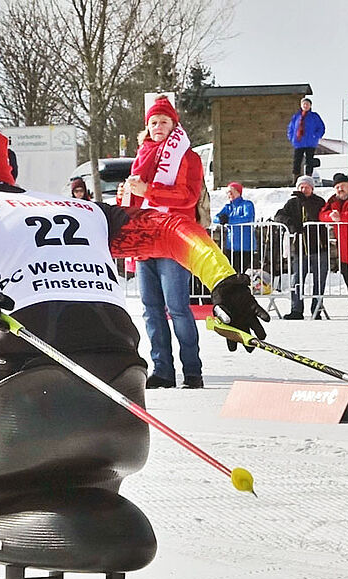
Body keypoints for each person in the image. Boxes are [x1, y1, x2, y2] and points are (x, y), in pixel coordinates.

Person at [0, 122, 268, 579]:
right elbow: (172, 227)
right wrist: (225, 283)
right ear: (7, 168)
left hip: (31, 394)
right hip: (124, 392)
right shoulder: (84, 208)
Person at [120, 96, 205, 389]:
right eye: (153, 122)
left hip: (172, 237)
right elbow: (135, 201)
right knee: (150, 308)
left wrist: (150, 191)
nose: (158, 127)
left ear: (174, 124)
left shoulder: (188, 157)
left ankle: (192, 370)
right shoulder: (141, 156)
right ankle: (163, 370)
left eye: (164, 122)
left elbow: (188, 197)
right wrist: (126, 195)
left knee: (178, 307)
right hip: (145, 239)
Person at [274, 175, 328, 319]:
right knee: (297, 280)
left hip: (318, 247)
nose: (303, 189)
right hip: (300, 248)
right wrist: (290, 223)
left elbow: (314, 216)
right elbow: (278, 216)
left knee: (319, 281)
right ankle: (296, 310)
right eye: (301, 187)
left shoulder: (318, 201)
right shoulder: (292, 202)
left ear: (312, 188)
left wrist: (304, 202)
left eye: (306, 187)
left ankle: (316, 310)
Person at [318, 173, 348, 318]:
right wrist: (331, 217)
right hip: (344, 251)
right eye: (337, 187)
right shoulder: (333, 199)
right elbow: (322, 215)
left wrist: (341, 218)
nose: (340, 189)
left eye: (342, 186)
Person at [213, 182, 256, 274]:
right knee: (231, 272)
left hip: (245, 246)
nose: (229, 194)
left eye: (231, 192)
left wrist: (228, 220)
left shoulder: (247, 204)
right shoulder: (228, 207)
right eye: (228, 192)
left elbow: (247, 218)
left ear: (238, 192)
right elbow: (215, 218)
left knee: (242, 272)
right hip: (231, 245)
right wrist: (221, 219)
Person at [287, 97, 325, 184]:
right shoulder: (296, 116)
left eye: (307, 104)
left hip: (310, 142)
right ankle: (295, 180)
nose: (305, 105)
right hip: (298, 143)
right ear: (301, 105)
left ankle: (308, 179)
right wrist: (292, 138)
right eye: (304, 104)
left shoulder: (314, 116)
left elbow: (321, 128)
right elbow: (291, 128)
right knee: (297, 161)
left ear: (310, 106)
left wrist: (316, 136)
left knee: (309, 161)